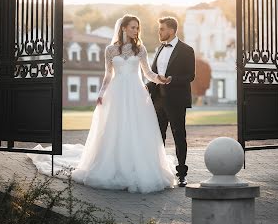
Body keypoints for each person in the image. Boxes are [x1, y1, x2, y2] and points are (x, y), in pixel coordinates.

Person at [29, 15, 175, 194]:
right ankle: (113, 166)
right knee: (114, 128)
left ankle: (137, 166)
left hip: (137, 94)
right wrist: (101, 93)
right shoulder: (110, 50)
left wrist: (160, 79)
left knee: (137, 129)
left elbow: (148, 73)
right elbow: (108, 75)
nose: (136, 31)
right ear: (123, 28)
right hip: (117, 92)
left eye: (137, 28)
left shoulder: (140, 49)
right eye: (132, 27)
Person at [147, 16, 195, 187]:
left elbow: (190, 76)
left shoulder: (186, 50)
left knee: (179, 136)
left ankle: (182, 174)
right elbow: (153, 73)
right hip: (158, 100)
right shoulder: (159, 48)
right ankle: (157, 171)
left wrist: (172, 79)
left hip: (176, 100)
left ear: (172, 30)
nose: (159, 32)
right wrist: (146, 87)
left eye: (162, 29)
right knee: (158, 136)